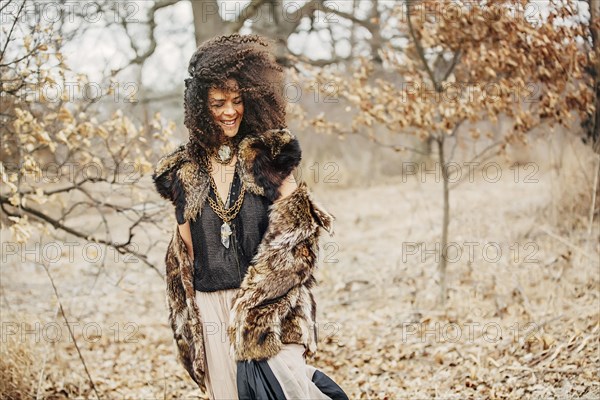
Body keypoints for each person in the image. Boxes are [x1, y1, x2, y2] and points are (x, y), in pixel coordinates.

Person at [152, 34, 348, 400]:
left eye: (237, 100)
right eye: (218, 103)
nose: (229, 111)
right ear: (200, 107)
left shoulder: (267, 157)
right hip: (211, 310)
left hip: (267, 308)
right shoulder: (185, 171)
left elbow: (299, 234)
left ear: (252, 99)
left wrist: (256, 306)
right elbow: (185, 258)